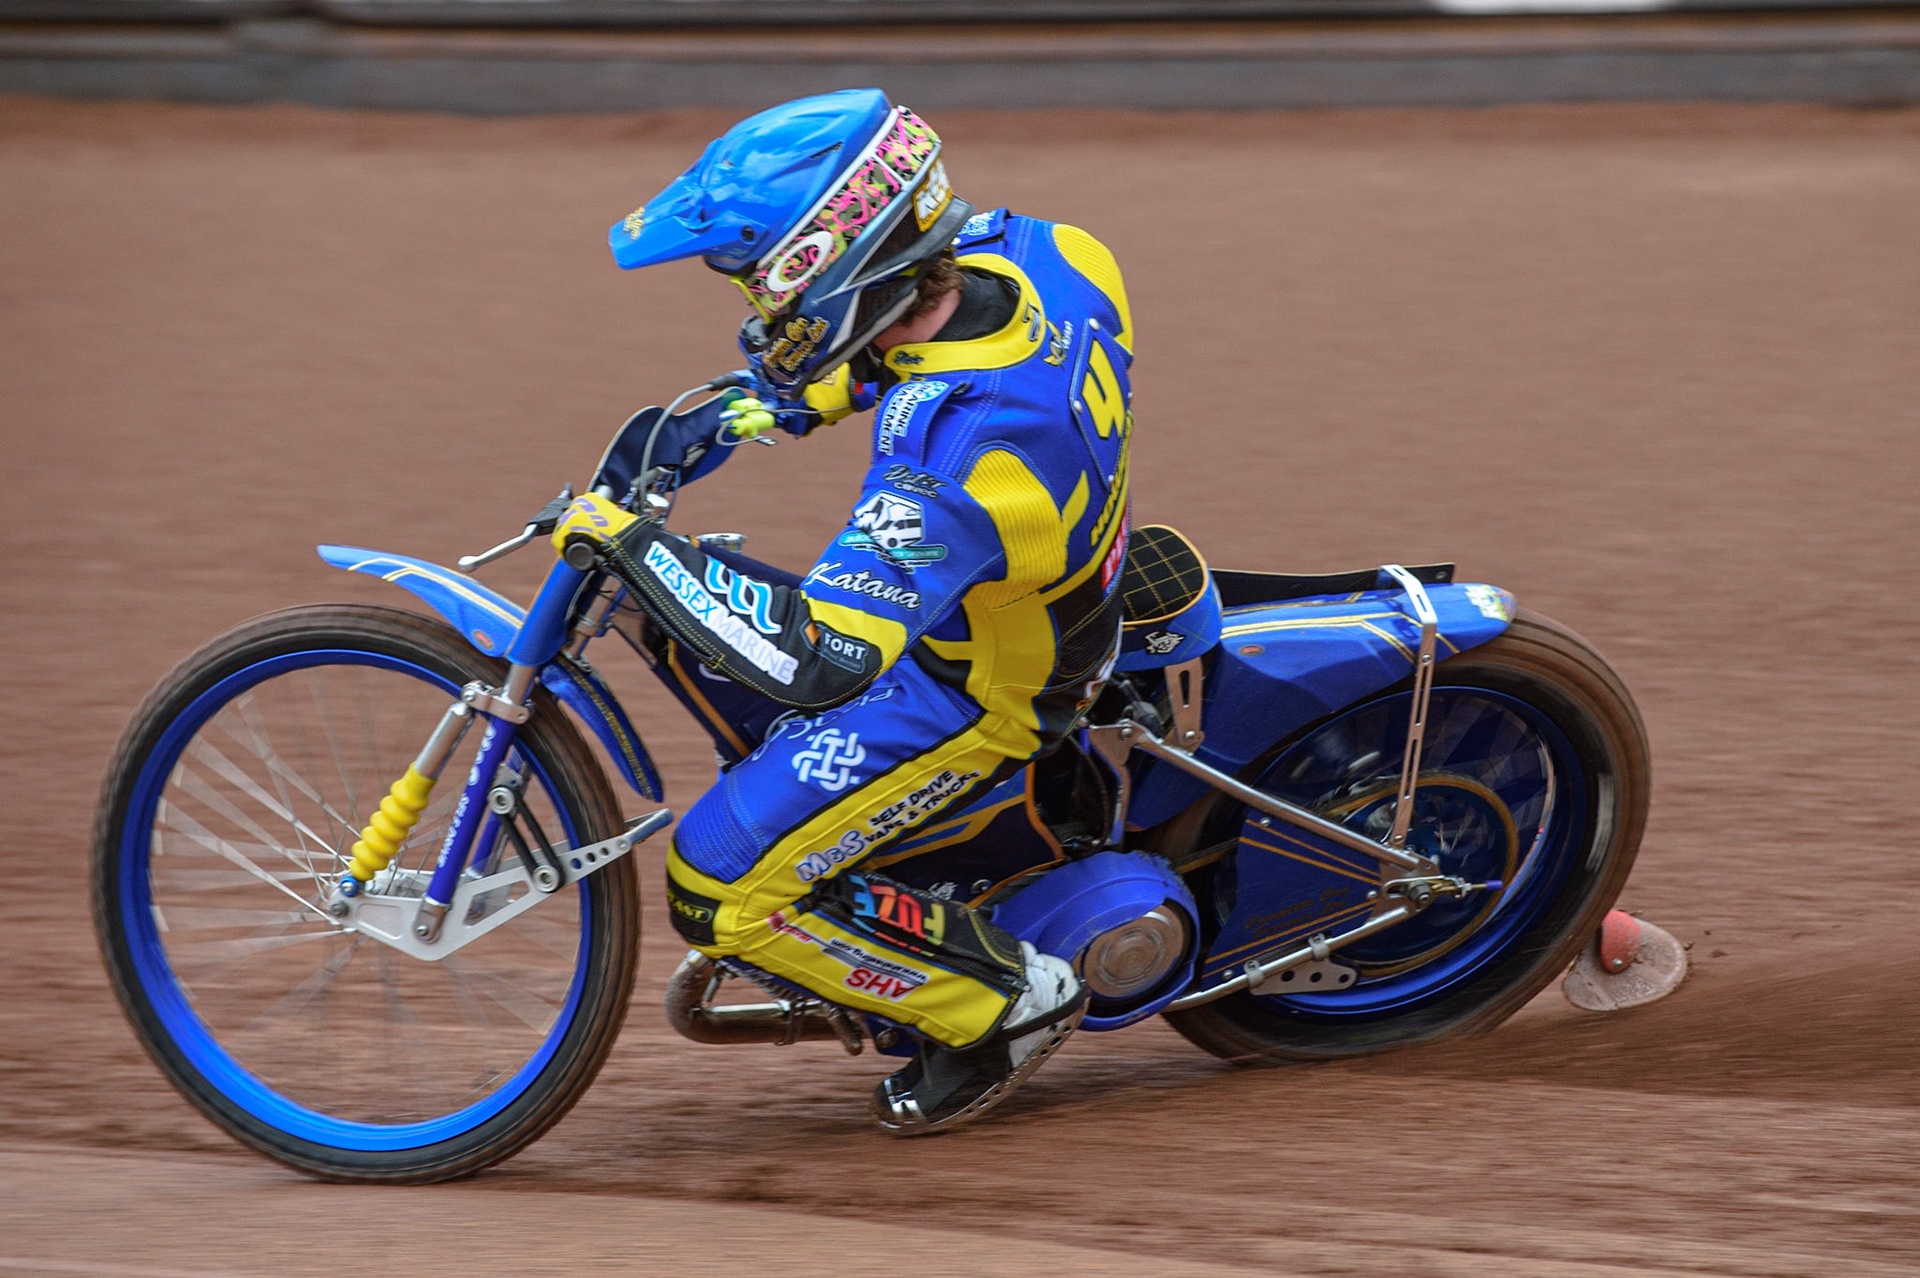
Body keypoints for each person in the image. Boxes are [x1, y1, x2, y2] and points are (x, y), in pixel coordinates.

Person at [552, 88, 1135, 1133]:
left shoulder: (953, 459)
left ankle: (1001, 1005)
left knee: (716, 881)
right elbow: (918, 340)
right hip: (1047, 584)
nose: (754, 304)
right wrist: (789, 398)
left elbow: (824, 658)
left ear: (836, 266)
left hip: (978, 688)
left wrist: (637, 547)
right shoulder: (1054, 254)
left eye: (760, 279)